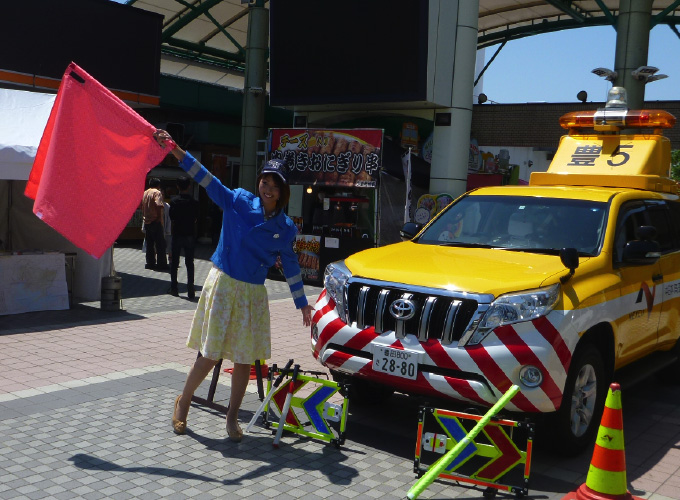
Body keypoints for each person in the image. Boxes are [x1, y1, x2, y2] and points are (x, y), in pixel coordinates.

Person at [153, 129, 314, 442]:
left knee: (244, 359)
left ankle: (231, 419)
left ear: (282, 192)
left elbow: (291, 265)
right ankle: (183, 401)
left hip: (253, 294)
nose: (267, 187)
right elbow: (208, 179)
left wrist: (301, 302)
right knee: (211, 354)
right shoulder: (238, 201)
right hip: (224, 284)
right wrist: (175, 151)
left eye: (274, 184)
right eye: (265, 181)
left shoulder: (285, 228)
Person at [168, 175, 200, 299]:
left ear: (177, 186)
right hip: (190, 235)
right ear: (189, 186)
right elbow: (196, 218)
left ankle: (174, 288)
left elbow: (172, 218)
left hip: (177, 234)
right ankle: (190, 289)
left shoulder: (174, 202)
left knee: (174, 262)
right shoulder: (194, 203)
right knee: (189, 263)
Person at [142, 177, 168, 270]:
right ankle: (162, 264)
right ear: (158, 185)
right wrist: (158, 218)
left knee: (149, 244)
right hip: (155, 222)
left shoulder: (145, 193)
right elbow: (159, 205)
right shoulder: (157, 192)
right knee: (160, 244)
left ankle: (150, 263)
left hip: (147, 221)